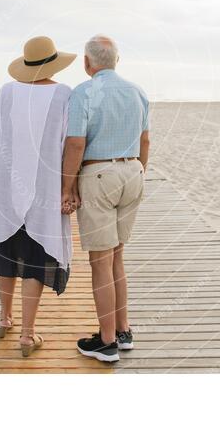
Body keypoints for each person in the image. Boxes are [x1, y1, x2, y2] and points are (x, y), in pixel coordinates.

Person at [0, 35, 78, 357]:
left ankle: (5, 318)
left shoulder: (7, 92)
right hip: (45, 191)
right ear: (53, 62)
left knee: (7, 253)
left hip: (6, 187)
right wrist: (69, 189)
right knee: (36, 259)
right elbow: (69, 146)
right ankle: (27, 334)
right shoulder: (64, 94)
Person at [61, 34, 150, 362]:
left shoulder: (84, 93)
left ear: (87, 63)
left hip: (99, 175)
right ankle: (123, 329)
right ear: (117, 61)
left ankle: (107, 341)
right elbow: (146, 140)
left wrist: (67, 187)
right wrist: (139, 174)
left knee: (100, 262)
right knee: (116, 258)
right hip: (132, 172)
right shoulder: (138, 91)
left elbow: (74, 144)